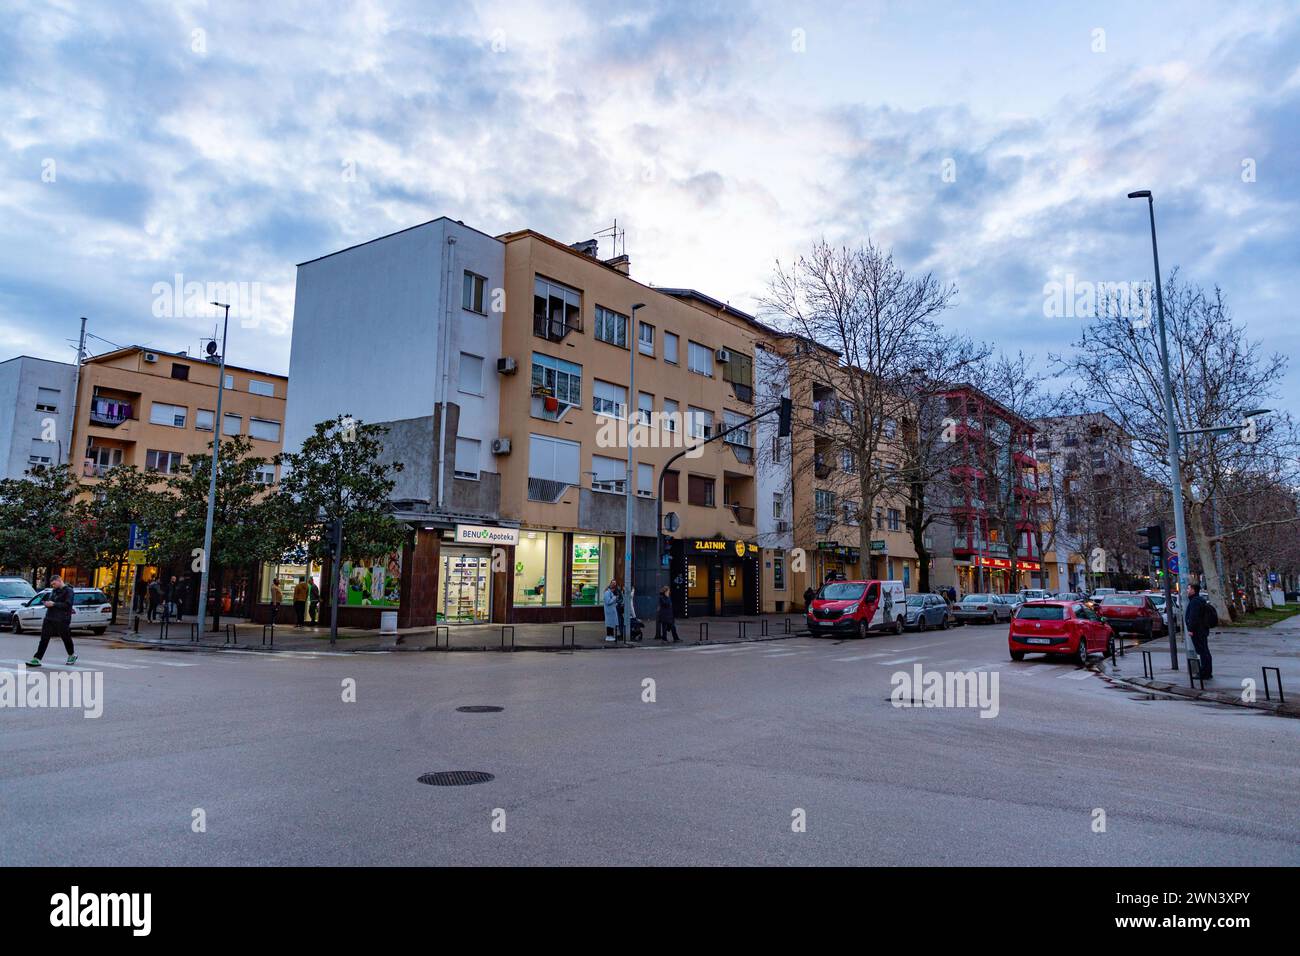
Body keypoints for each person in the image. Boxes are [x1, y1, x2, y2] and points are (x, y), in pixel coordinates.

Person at [26, 574, 76, 667]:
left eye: (54, 584)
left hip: (62, 619)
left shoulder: (69, 591)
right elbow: (51, 601)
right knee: (44, 639)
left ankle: (72, 655)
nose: (53, 586)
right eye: (52, 584)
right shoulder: (54, 591)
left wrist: (54, 604)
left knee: (66, 638)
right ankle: (37, 659)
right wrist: (47, 603)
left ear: (59, 580)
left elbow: (68, 605)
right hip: (49, 618)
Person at [1184, 583, 1215, 679]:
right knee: (1204, 651)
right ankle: (1207, 671)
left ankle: (1204, 672)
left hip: (1198, 630)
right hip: (1202, 629)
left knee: (1203, 651)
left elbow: (1194, 617)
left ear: (1193, 590)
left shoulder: (1195, 602)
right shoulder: (1198, 600)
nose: (1187, 590)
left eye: (1188, 589)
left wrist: (1190, 629)